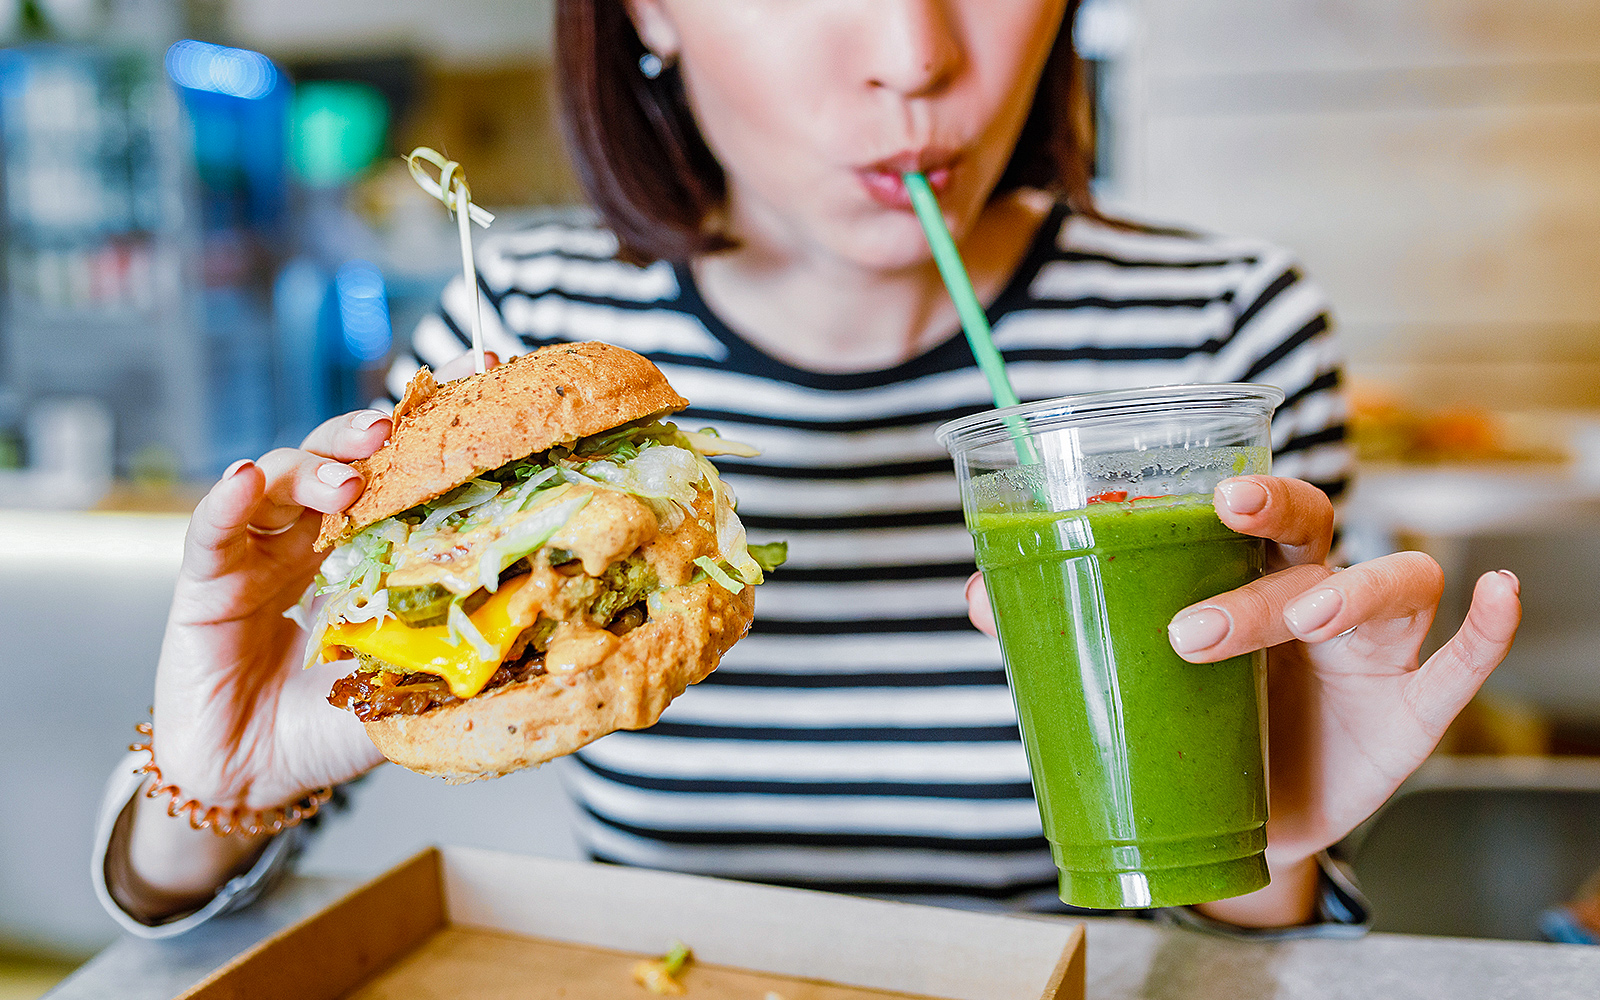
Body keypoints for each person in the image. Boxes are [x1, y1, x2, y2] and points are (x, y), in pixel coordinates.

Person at [95, 0, 1522, 936]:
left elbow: (1246, 921)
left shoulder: (1219, 335)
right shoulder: (520, 339)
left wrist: (1263, 841)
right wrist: (211, 784)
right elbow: (177, 897)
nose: (916, 50)